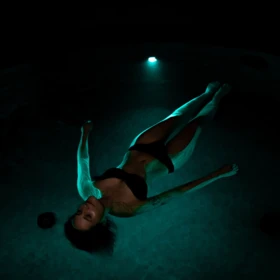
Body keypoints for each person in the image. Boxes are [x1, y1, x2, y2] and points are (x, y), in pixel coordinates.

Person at [64, 81, 239, 255]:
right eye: (88, 216)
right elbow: (178, 192)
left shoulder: (86, 189)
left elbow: (83, 160)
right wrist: (218, 174)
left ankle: (206, 94)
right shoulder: (130, 209)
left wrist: (85, 133)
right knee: (196, 124)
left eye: (79, 211)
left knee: (176, 117)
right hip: (170, 160)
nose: (85, 208)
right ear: (101, 223)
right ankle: (216, 98)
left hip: (138, 147)